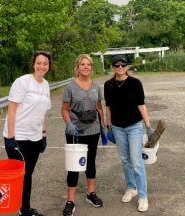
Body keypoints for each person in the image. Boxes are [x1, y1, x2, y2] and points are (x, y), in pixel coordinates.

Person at [3, 51, 52, 216]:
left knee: (28, 174)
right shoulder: (23, 82)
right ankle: (21, 209)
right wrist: (10, 137)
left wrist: (44, 135)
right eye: (39, 63)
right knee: (20, 175)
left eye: (45, 63)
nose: (42, 66)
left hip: (35, 137)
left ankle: (24, 209)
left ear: (48, 66)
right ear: (33, 64)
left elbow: (43, 112)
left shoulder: (45, 85)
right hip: (18, 137)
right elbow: (12, 109)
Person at [104, 54, 154, 212]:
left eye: (122, 65)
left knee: (137, 161)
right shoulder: (108, 85)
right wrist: (108, 127)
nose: (119, 68)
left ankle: (143, 196)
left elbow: (141, 105)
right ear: (113, 67)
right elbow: (108, 107)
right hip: (117, 128)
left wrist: (148, 126)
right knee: (125, 160)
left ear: (127, 66)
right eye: (116, 65)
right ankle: (131, 188)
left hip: (134, 126)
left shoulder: (135, 83)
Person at [61, 54, 105, 216]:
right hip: (75, 132)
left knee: (90, 162)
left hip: (93, 130)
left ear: (91, 68)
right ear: (77, 67)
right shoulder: (70, 87)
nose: (86, 67)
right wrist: (69, 124)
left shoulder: (96, 86)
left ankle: (90, 193)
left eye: (89, 65)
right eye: (83, 64)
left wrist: (104, 126)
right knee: (74, 166)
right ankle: (70, 201)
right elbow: (65, 109)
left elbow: (99, 107)